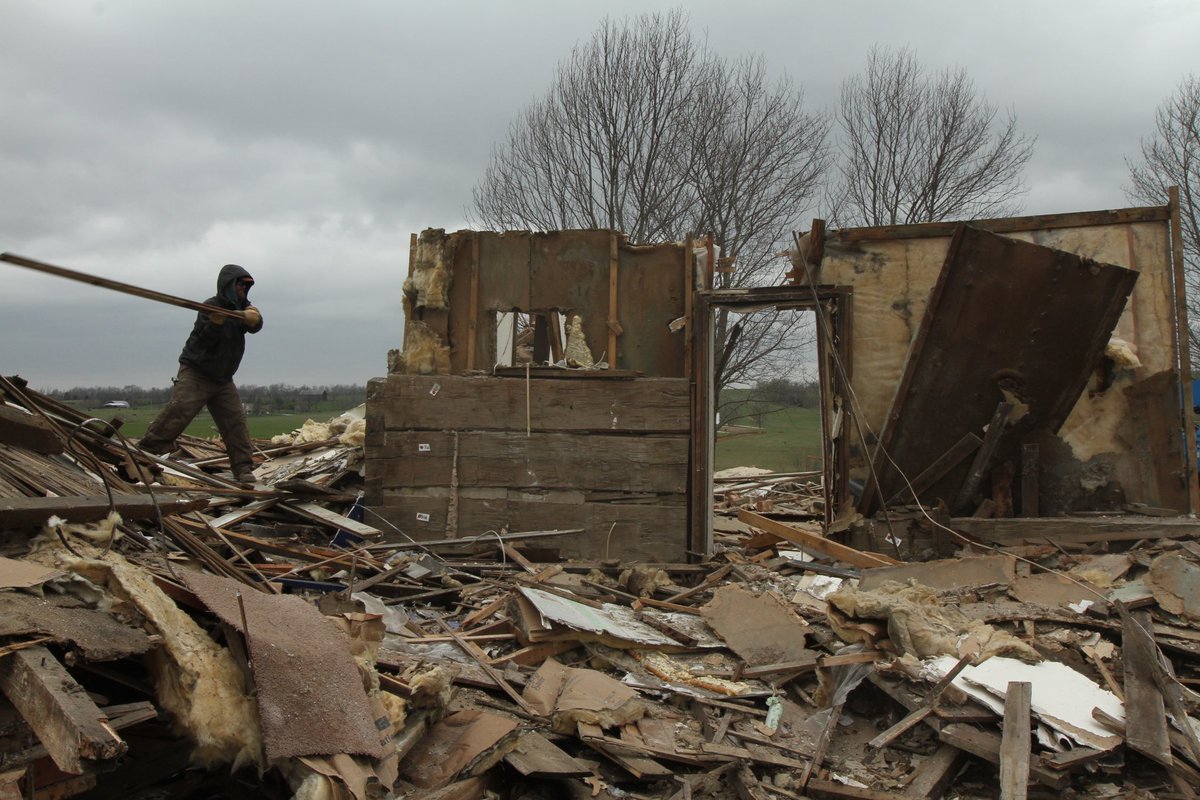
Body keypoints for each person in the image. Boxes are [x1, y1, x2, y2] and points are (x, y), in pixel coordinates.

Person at [139, 264, 263, 484]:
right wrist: (215, 324)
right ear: (229, 286)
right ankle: (144, 454)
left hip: (223, 378)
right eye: (240, 285)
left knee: (235, 422)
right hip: (198, 372)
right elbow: (205, 342)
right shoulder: (210, 307)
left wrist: (250, 315)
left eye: (247, 286)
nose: (244, 290)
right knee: (178, 412)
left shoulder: (244, 308)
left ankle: (243, 468)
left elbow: (256, 325)